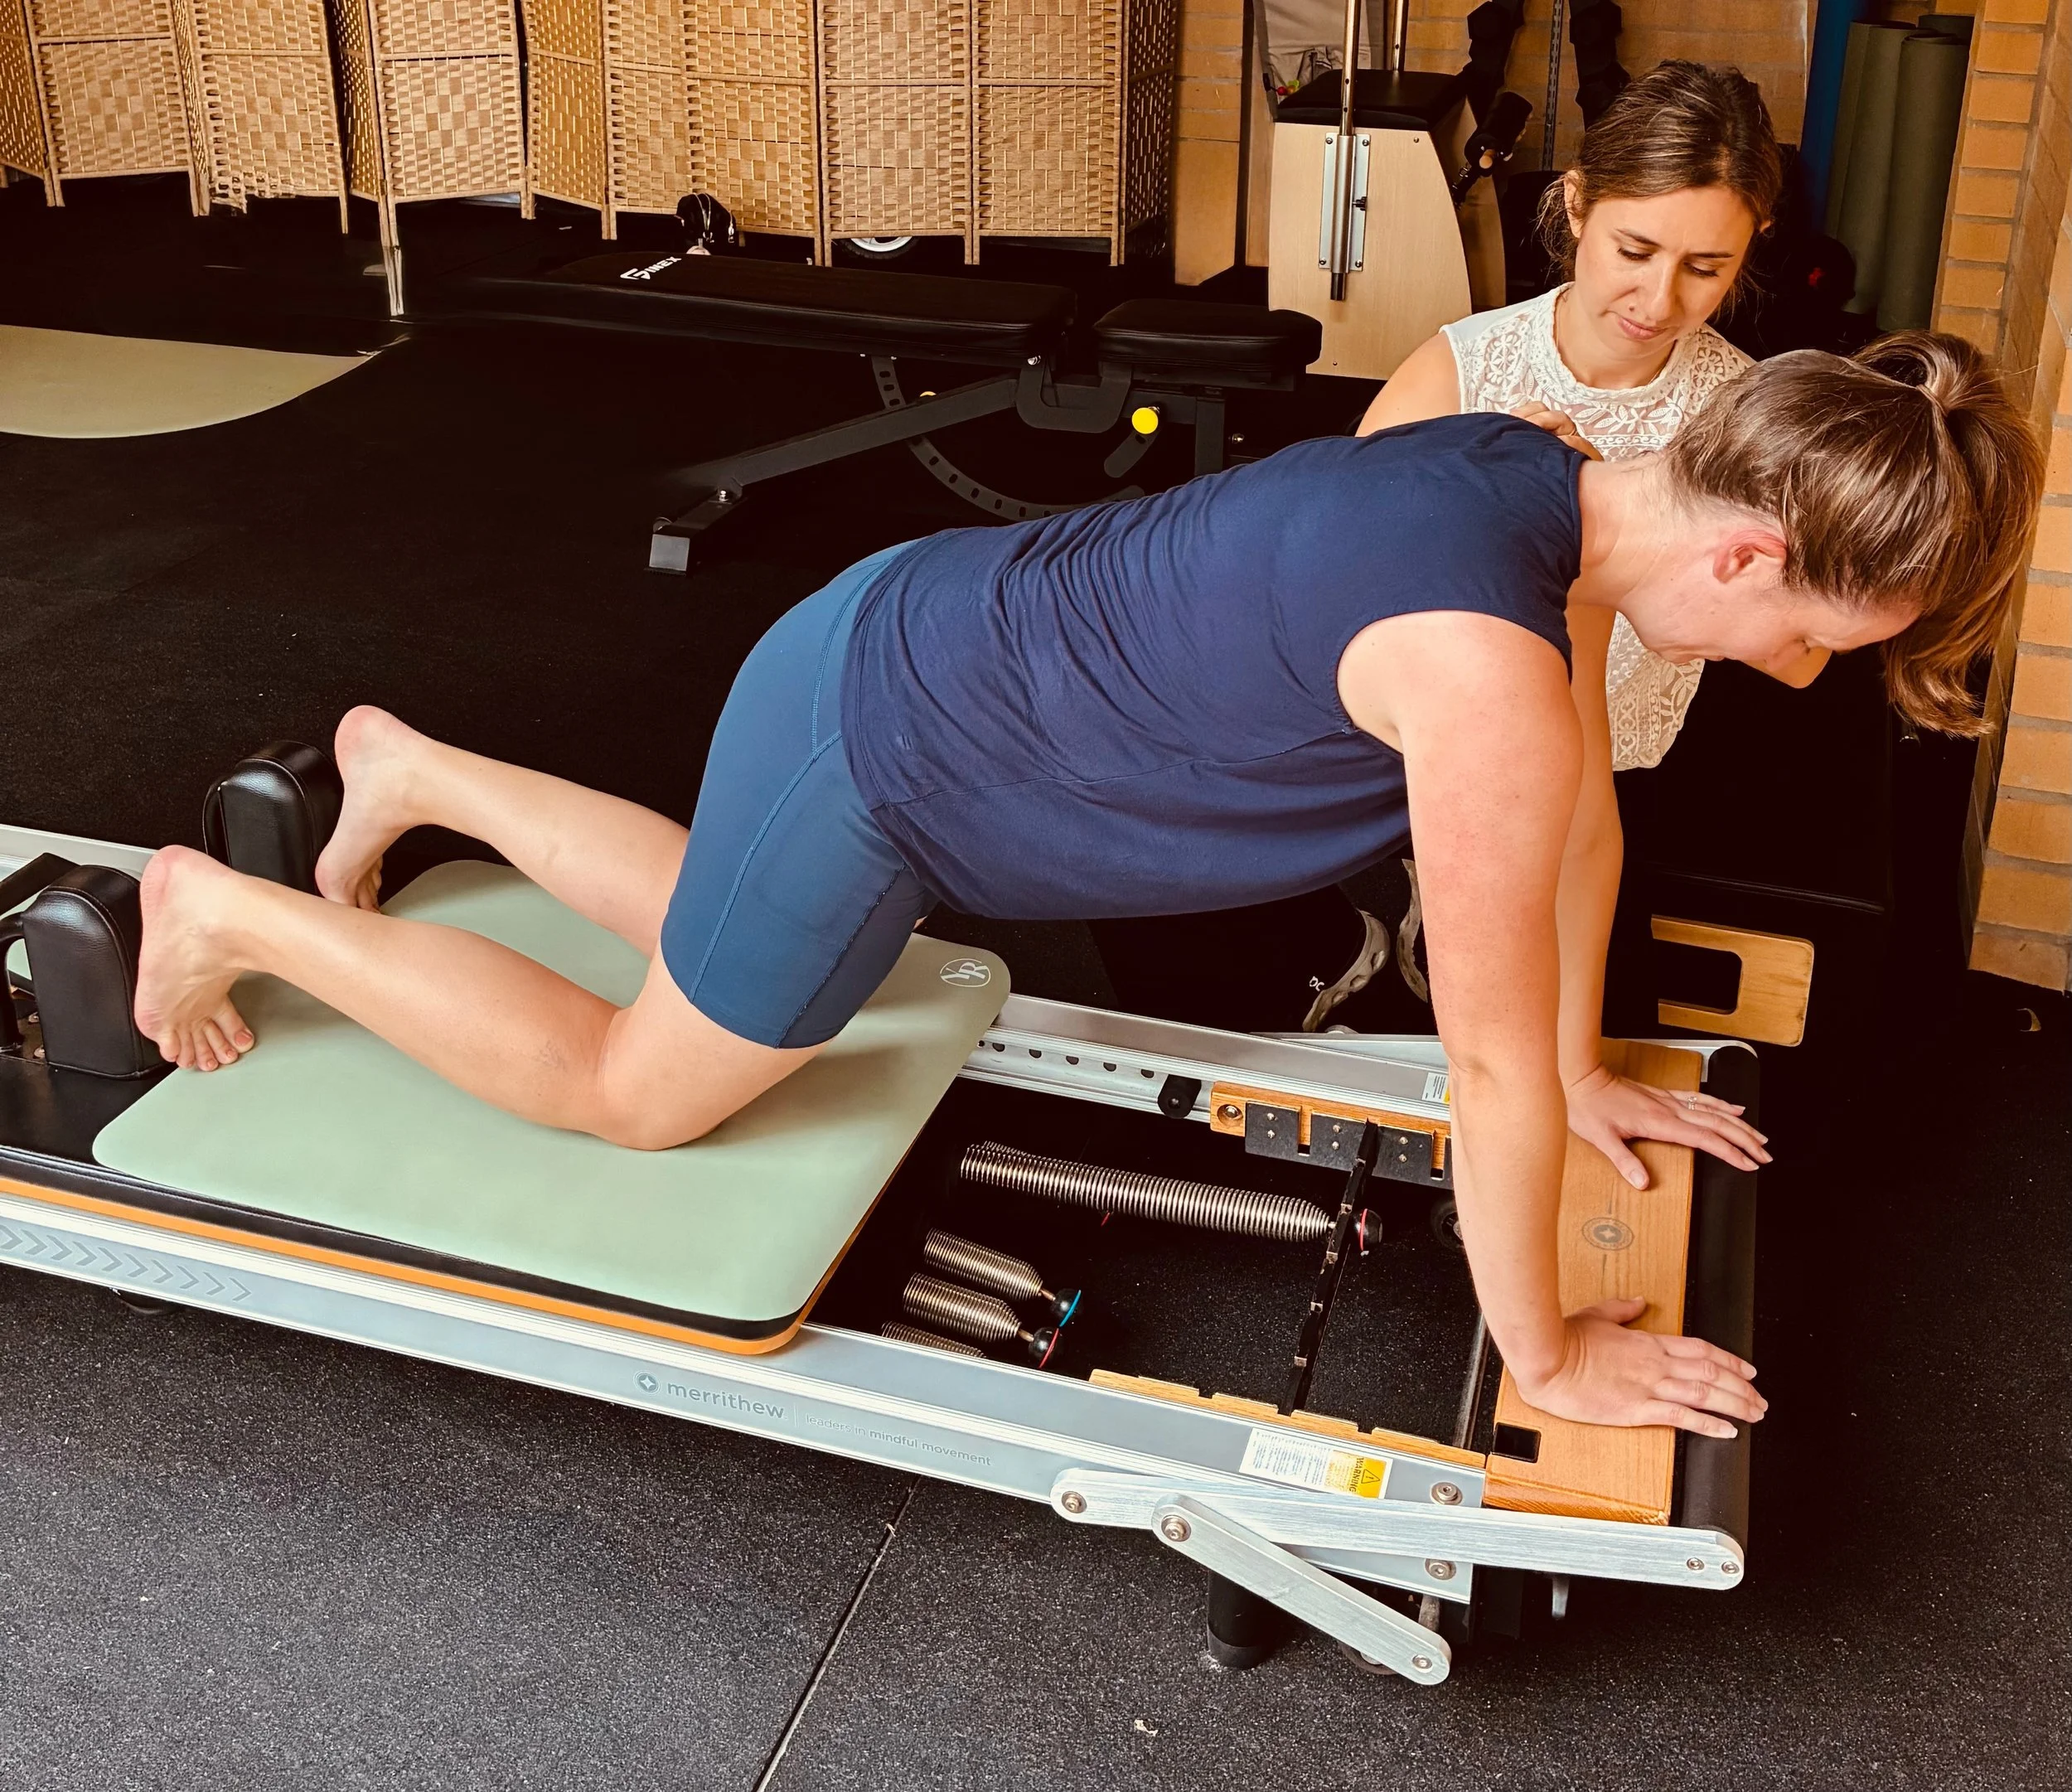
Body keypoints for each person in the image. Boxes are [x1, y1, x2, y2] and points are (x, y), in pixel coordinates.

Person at [133, 331, 2042, 1442]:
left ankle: (416, 770)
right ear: (1753, 541)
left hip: (895, 638)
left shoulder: (1533, 460)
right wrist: (1548, 1353)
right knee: (641, 1082)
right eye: (1815, 631)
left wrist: (1592, 1059)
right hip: (885, 742)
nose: (1804, 673)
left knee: (763, 942)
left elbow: (1569, 874)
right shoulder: (1496, 686)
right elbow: (1477, 1070)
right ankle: (236, 915)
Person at [1092, 59, 1782, 1041]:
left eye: (1705, 268)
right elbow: (1323, 595)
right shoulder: (1460, 371)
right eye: (1635, 248)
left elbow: (1747, 620)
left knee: (1598, 1034)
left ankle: (1436, 920)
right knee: (1163, 858)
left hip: (1618, 765)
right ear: (1578, 207)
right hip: (1438, 744)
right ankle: (1360, 928)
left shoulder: (1746, 419)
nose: (1658, 297)